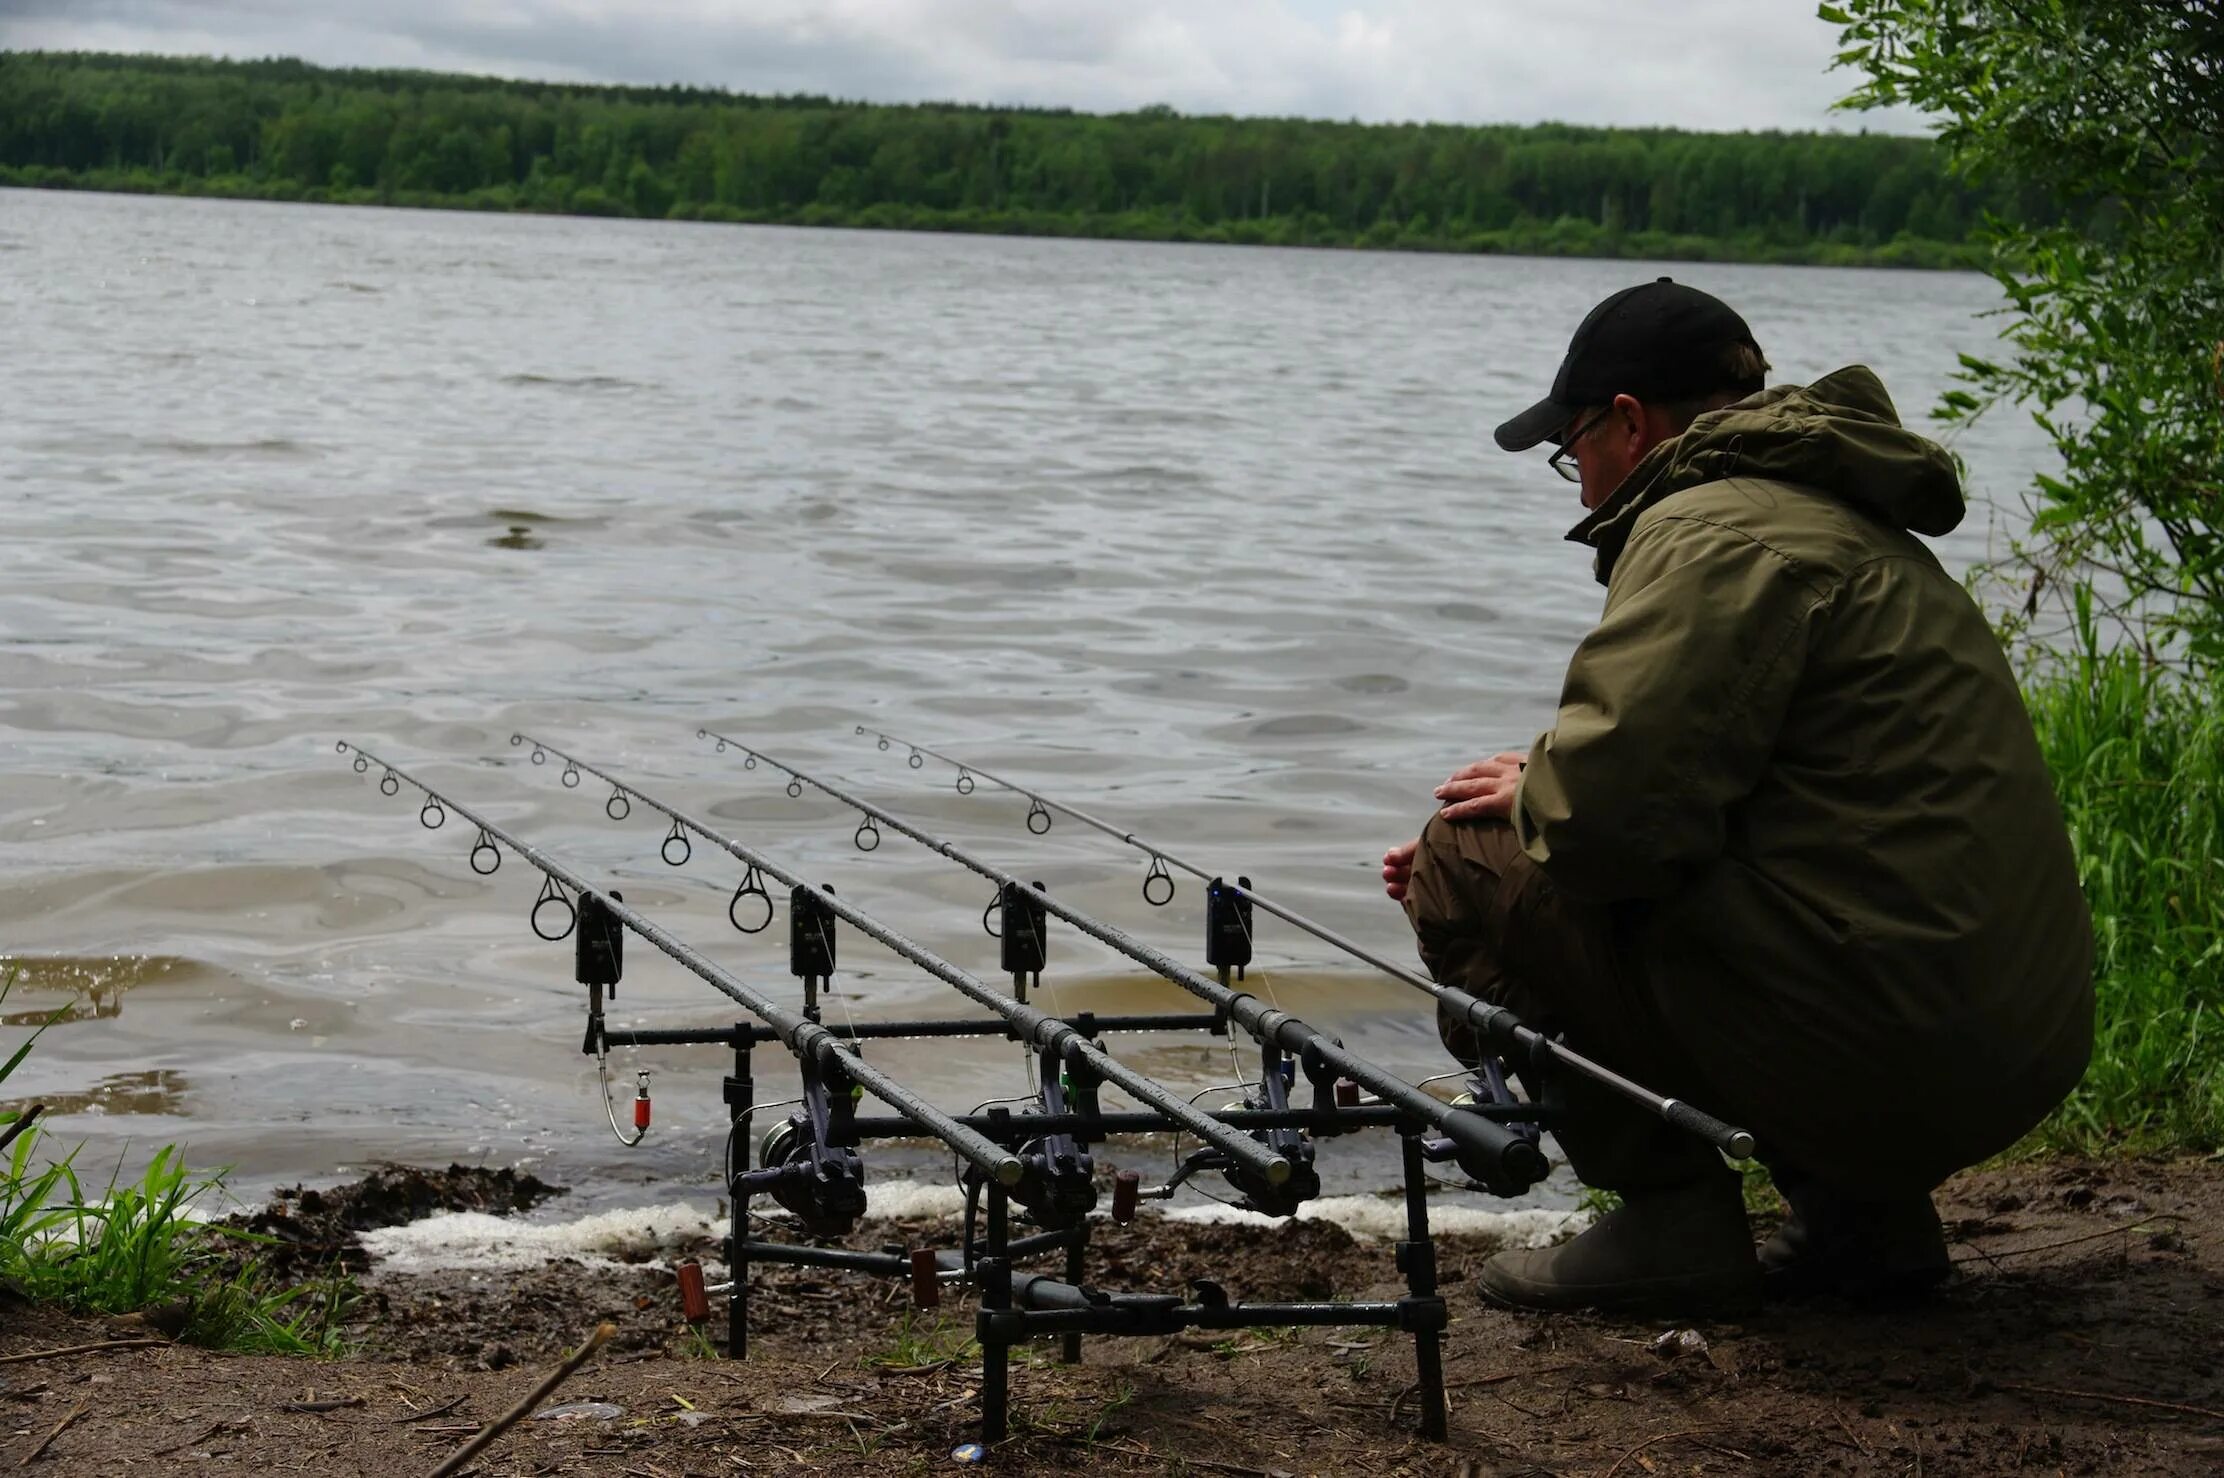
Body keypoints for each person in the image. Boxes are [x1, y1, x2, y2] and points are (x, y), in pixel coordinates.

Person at [1382, 278, 2093, 1315]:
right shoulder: (1842, 519)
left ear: (1627, 421)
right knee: (1534, 842)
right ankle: (1868, 1221)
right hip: (2007, 1049)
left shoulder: (1709, 528)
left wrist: (1513, 833)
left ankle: (1671, 1217)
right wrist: (1542, 781)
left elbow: (1603, 831)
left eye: (1571, 443)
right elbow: (1758, 785)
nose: (1577, 482)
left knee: (1456, 855)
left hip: (1892, 1047)